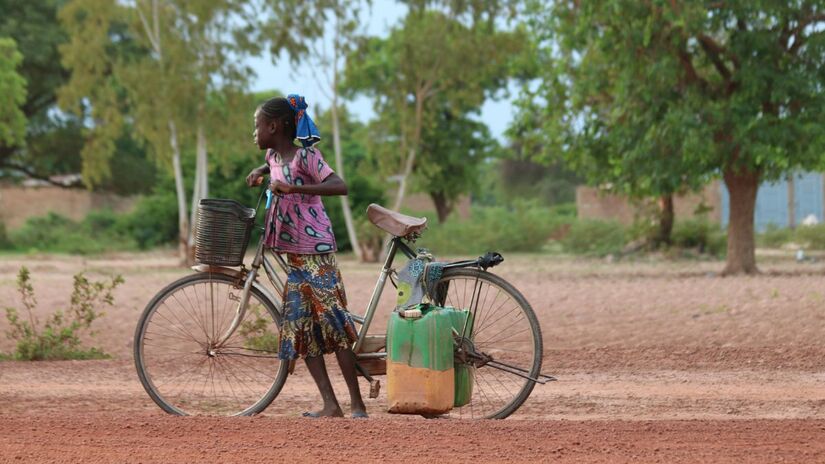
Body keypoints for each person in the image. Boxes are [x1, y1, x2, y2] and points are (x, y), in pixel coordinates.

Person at [246, 94, 367, 419]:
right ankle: (331, 405)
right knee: (301, 328)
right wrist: (260, 170)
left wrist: (295, 189)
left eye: (257, 126)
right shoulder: (273, 155)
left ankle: (358, 405)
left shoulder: (307, 157)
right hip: (295, 259)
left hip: (317, 254)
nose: (254, 133)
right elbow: (275, 165)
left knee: (335, 324)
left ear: (274, 126)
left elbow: (339, 185)